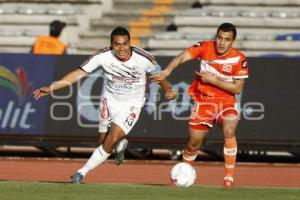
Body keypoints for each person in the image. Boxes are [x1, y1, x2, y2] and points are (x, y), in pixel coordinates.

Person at [33, 26, 177, 184]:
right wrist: (52, 87)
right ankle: (119, 144)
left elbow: (159, 75)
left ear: (130, 43)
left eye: (125, 44)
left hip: (132, 104)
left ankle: (81, 173)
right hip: (109, 100)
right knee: (102, 142)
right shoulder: (102, 56)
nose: (121, 48)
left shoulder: (143, 57)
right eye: (117, 44)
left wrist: (168, 90)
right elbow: (78, 73)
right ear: (111, 44)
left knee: (111, 139)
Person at [150, 22, 249, 189]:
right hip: (203, 101)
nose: (222, 43)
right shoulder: (204, 46)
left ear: (233, 41)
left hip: (226, 102)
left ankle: (228, 178)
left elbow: (237, 89)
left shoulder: (239, 59)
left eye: (226, 39)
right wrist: (167, 71)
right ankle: (181, 176)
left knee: (229, 129)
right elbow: (183, 56)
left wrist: (213, 80)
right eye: (219, 38)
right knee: (194, 143)